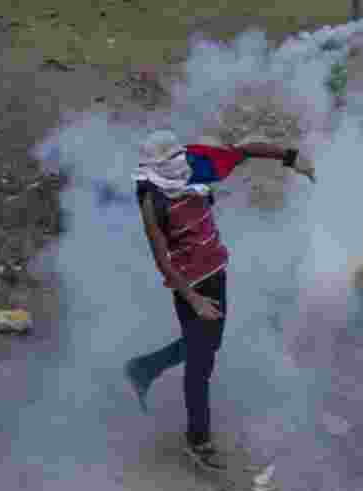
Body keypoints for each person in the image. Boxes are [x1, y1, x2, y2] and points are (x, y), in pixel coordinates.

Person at [125, 129, 316, 471]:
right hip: (190, 286)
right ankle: (198, 440)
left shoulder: (198, 165)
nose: (175, 173)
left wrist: (292, 158)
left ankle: (144, 368)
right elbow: (162, 260)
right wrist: (194, 300)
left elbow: (245, 150)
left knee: (207, 345)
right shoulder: (152, 200)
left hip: (217, 272)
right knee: (201, 363)